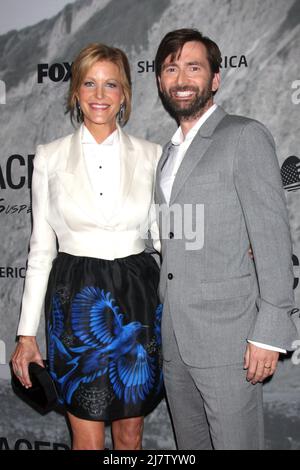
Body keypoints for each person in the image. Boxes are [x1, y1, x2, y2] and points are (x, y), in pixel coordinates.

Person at [11, 43, 163, 450]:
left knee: (130, 434)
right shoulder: (49, 156)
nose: (100, 94)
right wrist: (26, 335)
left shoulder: (152, 156)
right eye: (90, 83)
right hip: (75, 297)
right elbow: (41, 249)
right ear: (76, 91)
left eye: (110, 84)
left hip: (137, 297)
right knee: (86, 433)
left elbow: (166, 239)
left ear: (125, 93)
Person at [154, 28, 298, 450]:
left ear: (215, 79)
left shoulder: (244, 135)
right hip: (175, 338)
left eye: (193, 67)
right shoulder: (167, 154)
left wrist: (269, 331)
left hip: (230, 338)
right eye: (171, 68)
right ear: (161, 81)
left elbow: (272, 239)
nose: (181, 78)